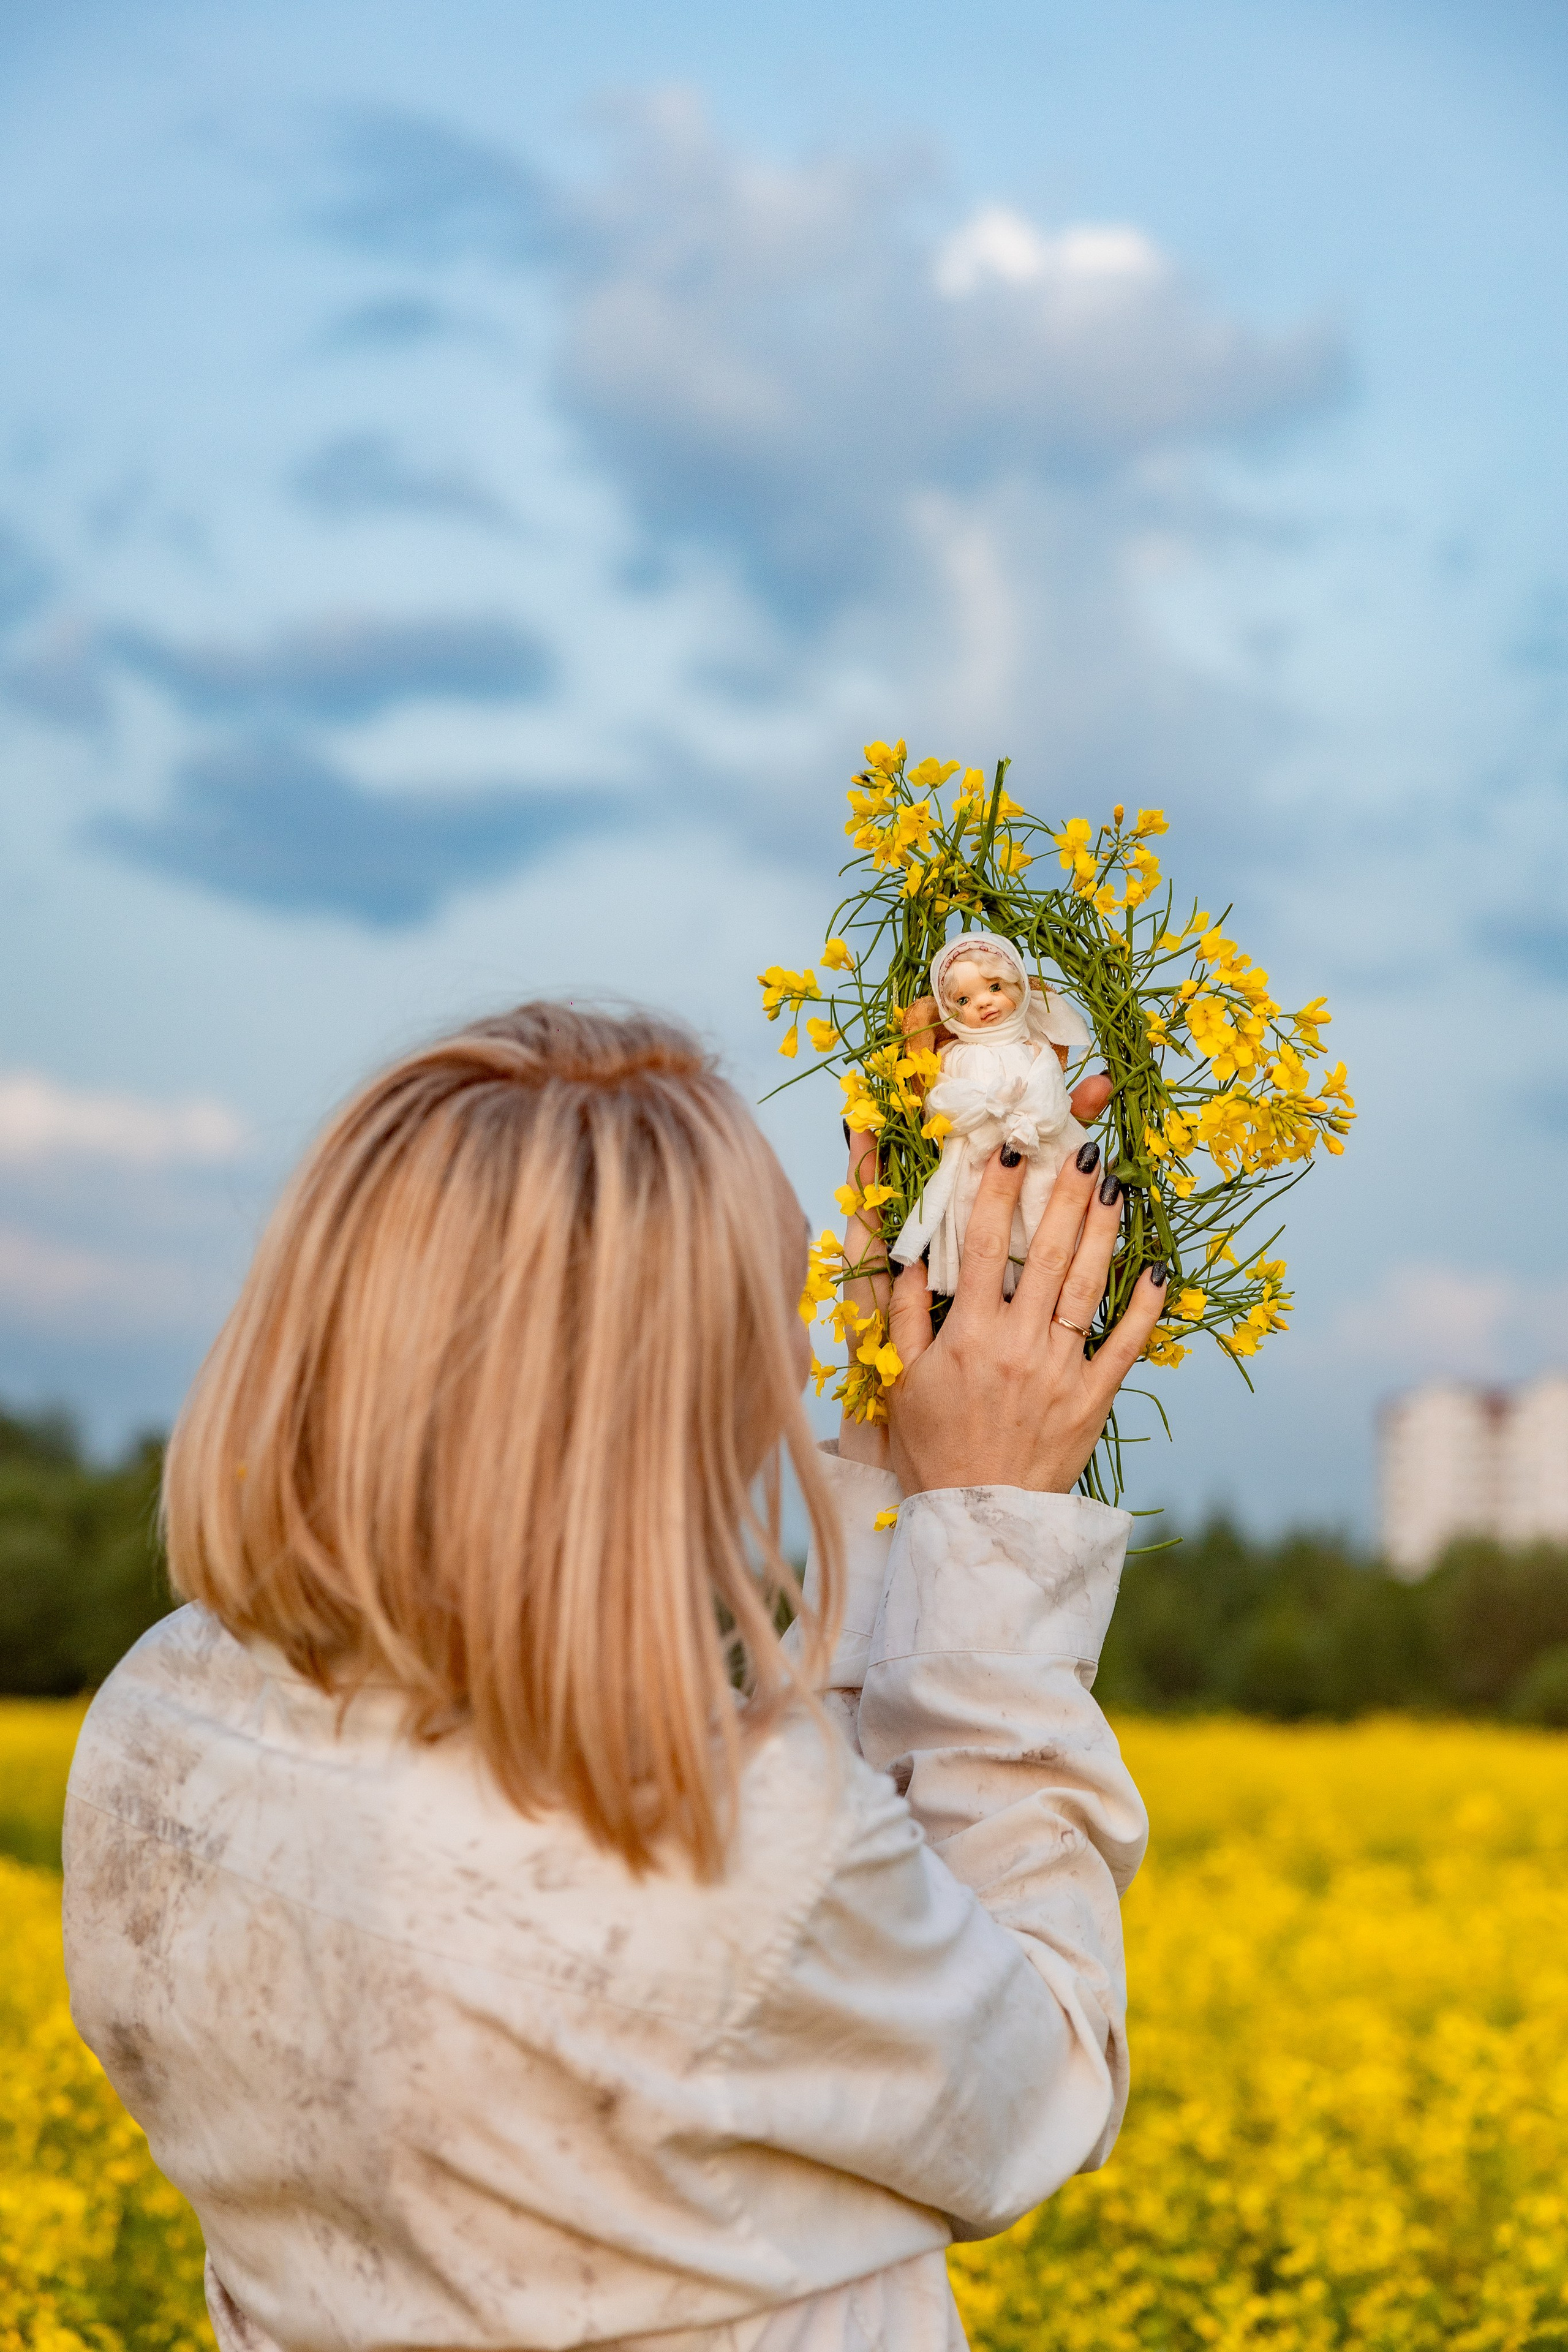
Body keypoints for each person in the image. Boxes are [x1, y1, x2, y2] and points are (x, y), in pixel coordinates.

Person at [62, 1000, 1167, 2352]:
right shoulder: (703, 1835)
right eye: (769, 1323)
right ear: (660, 1393)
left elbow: (768, 1897)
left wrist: (883, 1475)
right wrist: (987, 1527)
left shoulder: (159, 1720)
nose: (811, 1359)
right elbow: (1036, 2086)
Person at [891, 933, 1095, 1298]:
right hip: (978, 1162)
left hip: (1040, 1148)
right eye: (965, 1000)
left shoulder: (1035, 1047)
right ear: (950, 1011)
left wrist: (1029, 1123)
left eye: (996, 986)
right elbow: (941, 1103)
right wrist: (987, 1102)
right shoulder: (953, 1055)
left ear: (1017, 985)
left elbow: (1052, 1097)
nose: (984, 1003)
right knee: (984, 1231)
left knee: (1050, 1215)